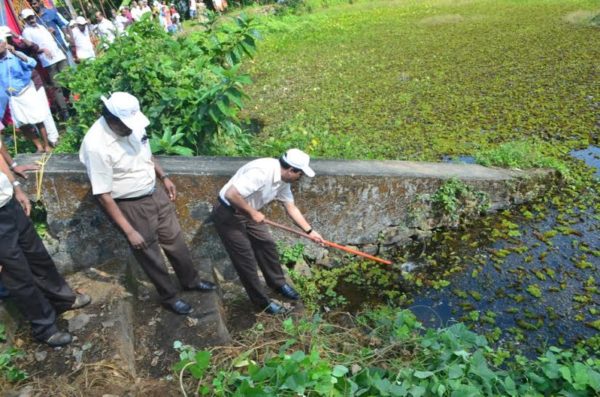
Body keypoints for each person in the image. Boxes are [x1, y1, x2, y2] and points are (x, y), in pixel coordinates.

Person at [79, 92, 216, 315]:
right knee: (150, 254)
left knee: (176, 241)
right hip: (130, 205)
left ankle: (190, 281)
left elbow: (147, 155)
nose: (132, 129)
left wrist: (164, 177)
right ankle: (169, 297)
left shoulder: (132, 126)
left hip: (155, 192)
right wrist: (129, 231)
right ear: (113, 120)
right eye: (126, 126)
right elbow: (103, 195)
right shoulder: (97, 146)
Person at [0, 138, 91, 347]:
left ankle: (62, 299)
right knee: (17, 273)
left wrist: (16, 188)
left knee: (37, 255)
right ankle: (45, 327)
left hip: (7, 204)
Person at [212, 149, 324, 314]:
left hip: (248, 212)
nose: (300, 177)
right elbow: (231, 194)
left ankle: (278, 283)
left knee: (267, 244)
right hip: (228, 212)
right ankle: (261, 302)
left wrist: (310, 231)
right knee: (246, 259)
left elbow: (291, 207)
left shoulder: (283, 181)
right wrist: (252, 213)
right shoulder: (262, 172)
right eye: (300, 173)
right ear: (291, 170)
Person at [0, 26, 59, 146]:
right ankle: (39, 145)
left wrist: (16, 51)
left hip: (29, 87)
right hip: (13, 96)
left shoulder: (17, 49)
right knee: (21, 122)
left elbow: (32, 61)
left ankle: (51, 141)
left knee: (39, 115)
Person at [20, 8, 70, 121]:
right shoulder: (26, 32)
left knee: (68, 80)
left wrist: (52, 33)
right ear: (25, 20)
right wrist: (42, 50)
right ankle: (64, 111)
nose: (31, 19)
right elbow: (31, 48)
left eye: (32, 16)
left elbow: (49, 39)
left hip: (58, 55)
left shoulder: (42, 26)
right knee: (57, 86)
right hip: (48, 60)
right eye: (28, 18)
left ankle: (71, 103)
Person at [28, 0, 74, 67]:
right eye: (31, 5)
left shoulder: (50, 12)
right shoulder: (34, 19)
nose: (33, 6)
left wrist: (65, 35)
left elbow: (62, 25)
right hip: (48, 48)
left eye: (34, 4)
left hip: (59, 44)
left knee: (68, 66)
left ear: (39, 3)